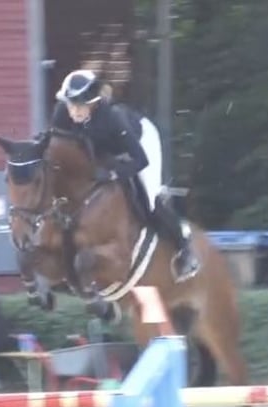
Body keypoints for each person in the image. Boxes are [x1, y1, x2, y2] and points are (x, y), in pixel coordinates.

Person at [49, 69, 199, 282]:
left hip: (140, 141)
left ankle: (184, 247)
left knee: (149, 201)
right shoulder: (62, 114)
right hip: (102, 148)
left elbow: (140, 160)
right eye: (70, 105)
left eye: (79, 106)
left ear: (93, 103)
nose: (73, 111)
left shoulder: (112, 119)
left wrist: (113, 173)